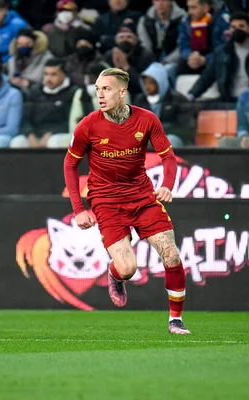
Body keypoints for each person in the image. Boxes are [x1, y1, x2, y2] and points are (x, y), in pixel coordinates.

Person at [63, 68, 189, 335]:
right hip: (106, 202)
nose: (100, 95)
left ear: (122, 92)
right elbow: (70, 164)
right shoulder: (88, 125)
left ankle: (175, 320)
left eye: (106, 89)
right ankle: (115, 274)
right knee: (128, 268)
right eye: (97, 90)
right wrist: (79, 209)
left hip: (142, 196)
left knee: (172, 253)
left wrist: (167, 185)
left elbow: (168, 157)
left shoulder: (147, 119)